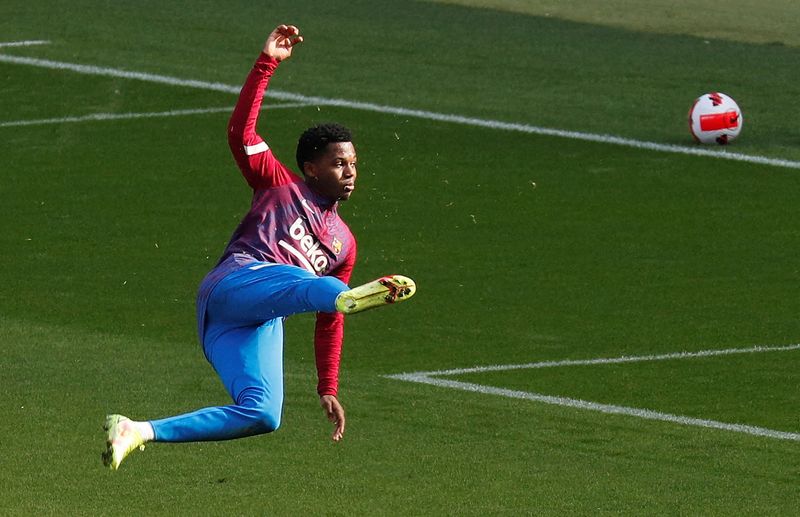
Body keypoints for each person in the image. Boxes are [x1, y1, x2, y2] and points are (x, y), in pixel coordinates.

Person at [102, 24, 416, 470]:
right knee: (309, 283)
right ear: (310, 168)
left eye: (354, 164)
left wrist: (327, 385)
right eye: (338, 163)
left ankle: (137, 430)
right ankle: (347, 296)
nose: (350, 172)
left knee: (262, 413)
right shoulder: (278, 184)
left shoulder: (345, 244)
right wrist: (266, 63)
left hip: (251, 323)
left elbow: (329, 323)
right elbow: (240, 132)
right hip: (235, 285)